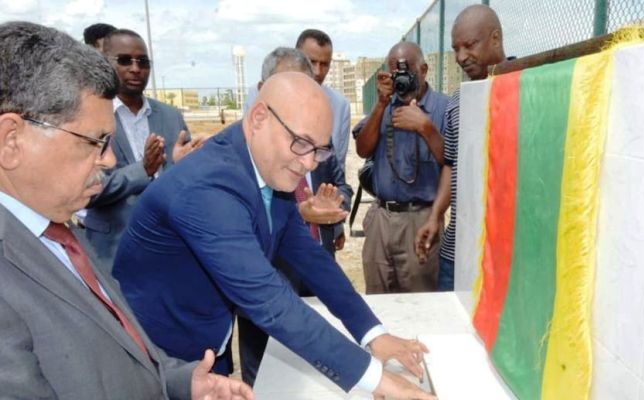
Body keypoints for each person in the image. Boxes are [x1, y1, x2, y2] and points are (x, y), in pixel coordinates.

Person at [113, 71, 435, 400]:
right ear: (259, 118)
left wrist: (372, 333)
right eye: (301, 143)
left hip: (207, 347)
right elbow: (270, 301)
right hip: (155, 363)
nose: (309, 163)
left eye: (320, 150)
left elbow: (310, 258)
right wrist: (377, 379)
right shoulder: (207, 187)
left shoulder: (267, 168)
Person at [0, 21, 252, 400]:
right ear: (11, 140)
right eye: (95, 141)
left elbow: (118, 351)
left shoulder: (63, 236)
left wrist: (181, 382)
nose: (109, 159)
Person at [236, 47, 353, 386]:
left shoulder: (319, 138)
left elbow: (341, 185)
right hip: (270, 276)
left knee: (313, 371)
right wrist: (302, 213)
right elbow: (250, 222)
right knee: (266, 373)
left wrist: (335, 204)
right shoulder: (239, 155)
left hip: (314, 265)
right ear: (263, 92)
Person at [83, 29, 202, 271]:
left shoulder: (170, 116)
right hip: (111, 251)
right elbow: (87, 190)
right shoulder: (88, 118)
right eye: (125, 60)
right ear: (105, 63)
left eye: (143, 61)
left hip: (167, 248)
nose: (135, 69)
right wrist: (143, 170)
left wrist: (182, 168)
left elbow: (187, 186)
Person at [415, 4, 507, 291]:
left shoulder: (528, 88)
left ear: (495, 38)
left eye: (470, 45)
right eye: (456, 49)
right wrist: (435, 216)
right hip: (457, 250)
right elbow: (450, 164)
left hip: (507, 253)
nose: (461, 57)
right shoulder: (457, 101)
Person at [355, 41, 449, 294]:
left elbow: (453, 163)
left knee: (420, 299)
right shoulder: (385, 105)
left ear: (424, 70)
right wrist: (380, 104)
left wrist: (425, 127)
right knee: (378, 298)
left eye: (408, 73)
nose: (402, 80)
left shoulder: (444, 108)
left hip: (421, 218)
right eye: (396, 73)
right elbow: (363, 149)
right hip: (382, 218)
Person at [243, 29, 350, 172]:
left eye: (325, 64)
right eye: (311, 62)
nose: (317, 71)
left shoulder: (340, 105)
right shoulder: (257, 95)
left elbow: (337, 169)